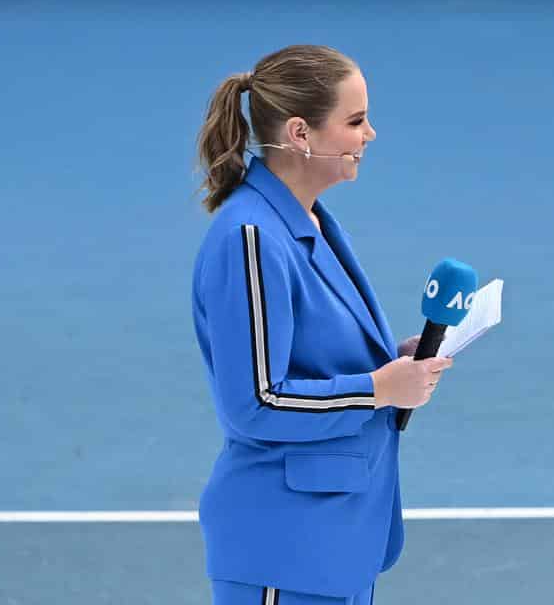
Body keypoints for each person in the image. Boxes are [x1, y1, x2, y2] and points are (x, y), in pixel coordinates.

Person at [190, 44, 452, 605]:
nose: (370, 135)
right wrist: (378, 389)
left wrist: (391, 365)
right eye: (355, 121)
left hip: (335, 541)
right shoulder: (252, 239)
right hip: (283, 548)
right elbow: (255, 402)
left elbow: (316, 356)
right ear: (301, 134)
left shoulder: (311, 222)